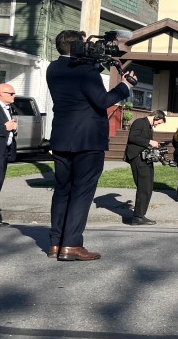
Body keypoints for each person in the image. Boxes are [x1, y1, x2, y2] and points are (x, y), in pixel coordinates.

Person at [47, 30, 135, 261]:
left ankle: (55, 243)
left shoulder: (53, 68)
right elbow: (103, 101)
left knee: (63, 189)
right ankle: (72, 245)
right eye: (85, 43)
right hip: (87, 140)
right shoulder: (85, 71)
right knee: (82, 191)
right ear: (78, 46)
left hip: (61, 138)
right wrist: (125, 85)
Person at [124, 110, 167, 225]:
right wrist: (149, 141)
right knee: (144, 187)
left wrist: (154, 144)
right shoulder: (139, 122)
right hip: (137, 158)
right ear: (155, 117)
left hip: (145, 159)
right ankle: (137, 217)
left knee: (147, 187)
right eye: (158, 122)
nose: (157, 124)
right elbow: (132, 137)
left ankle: (140, 215)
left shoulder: (148, 126)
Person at [0, 83, 18, 227]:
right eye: (11, 94)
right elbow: (3, 127)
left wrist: (13, 130)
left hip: (3, 152)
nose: (14, 96)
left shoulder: (8, 108)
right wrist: (5, 127)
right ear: (0, 93)